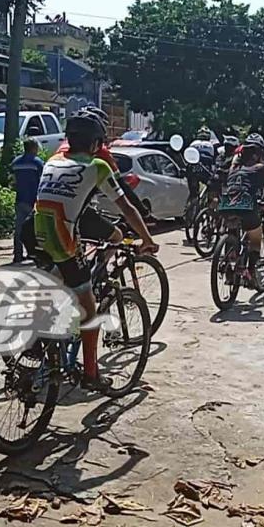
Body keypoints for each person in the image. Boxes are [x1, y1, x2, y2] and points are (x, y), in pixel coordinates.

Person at [33, 111, 158, 393]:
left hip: (34, 232)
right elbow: (126, 206)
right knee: (89, 312)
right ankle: (91, 373)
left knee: (58, 287)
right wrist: (147, 239)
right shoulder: (99, 165)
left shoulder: (52, 160)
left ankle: (41, 340)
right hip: (61, 239)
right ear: (95, 143)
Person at [219, 134, 264, 281]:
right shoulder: (260, 168)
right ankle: (251, 271)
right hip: (246, 202)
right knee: (255, 238)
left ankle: (229, 262)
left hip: (226, 202)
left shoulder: (234, 167)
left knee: (232, 229)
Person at [10, 138, 44, 263]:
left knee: (19, 228)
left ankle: (17, 254)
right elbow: (43, 181)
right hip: (34, 200)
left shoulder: (16, 163)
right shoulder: (37, 163)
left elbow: (13, 181)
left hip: (20, 199)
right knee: (37, 229)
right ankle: (37, 254)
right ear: (34, 148)